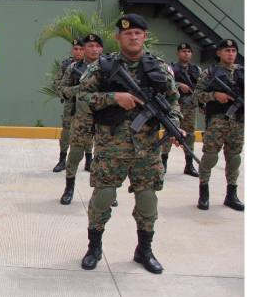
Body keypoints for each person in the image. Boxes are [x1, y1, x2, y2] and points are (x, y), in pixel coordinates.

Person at [77, 14, 182, 274]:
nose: (133, 37)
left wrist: (176, 124)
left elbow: (174, 100)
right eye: (127, 33)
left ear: (144, 36)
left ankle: (144, 250)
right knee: (104, 197)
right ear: (118, 38)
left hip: (147, 148)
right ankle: (94, 247)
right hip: (111, 146)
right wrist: (114, 97)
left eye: (138, 33)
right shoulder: (102, 67)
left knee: (147, 200)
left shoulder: (158, 67)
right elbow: (80, 98)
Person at [195, 39, 244, 212]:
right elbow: (197, 95)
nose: (230, 53)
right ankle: (204, 192)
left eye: (233, 50)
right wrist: (215, 95)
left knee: (234, 158)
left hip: (238, 123)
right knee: (209, 157)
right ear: (219, 53)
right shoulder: (209, 73)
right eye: (227, 50)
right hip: (216, 123)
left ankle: (231, 194)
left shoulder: (244, 72)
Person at [59, 34, 100, 204]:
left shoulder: (110, 68)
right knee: (75, 153)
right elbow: (62, 90)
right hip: (81, 116)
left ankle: (104, 190)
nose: (93, 49)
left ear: (101, 49)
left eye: (97, 46)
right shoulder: (73, 68)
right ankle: (69, 187)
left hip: (103, 117)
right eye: (88, 46)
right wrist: (81, 88)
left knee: (103, 155)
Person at [161, 43, 202, 176]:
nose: (186, 54)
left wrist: (201, 104)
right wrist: (179, 85)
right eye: (184, 51)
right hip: (174, 106)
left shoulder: (197, 70)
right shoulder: (171, 68)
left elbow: (200, 88)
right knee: (170, 132)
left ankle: (189, 165)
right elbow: (165, 83)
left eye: (189, 51)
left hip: (191, 106)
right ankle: (163, 163)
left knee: (189, 135)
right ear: (178, 53)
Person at [52, 39, 84, 172]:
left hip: (86, 103)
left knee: (88, 132)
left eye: (80, 49)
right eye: (75, 49)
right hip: (70, 103)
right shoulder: (67, 65)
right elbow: (57, 83)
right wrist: (65, 93)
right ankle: (62, 160)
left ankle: (89, 160)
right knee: (66, 132)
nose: (78, 51)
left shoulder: (93, 65)